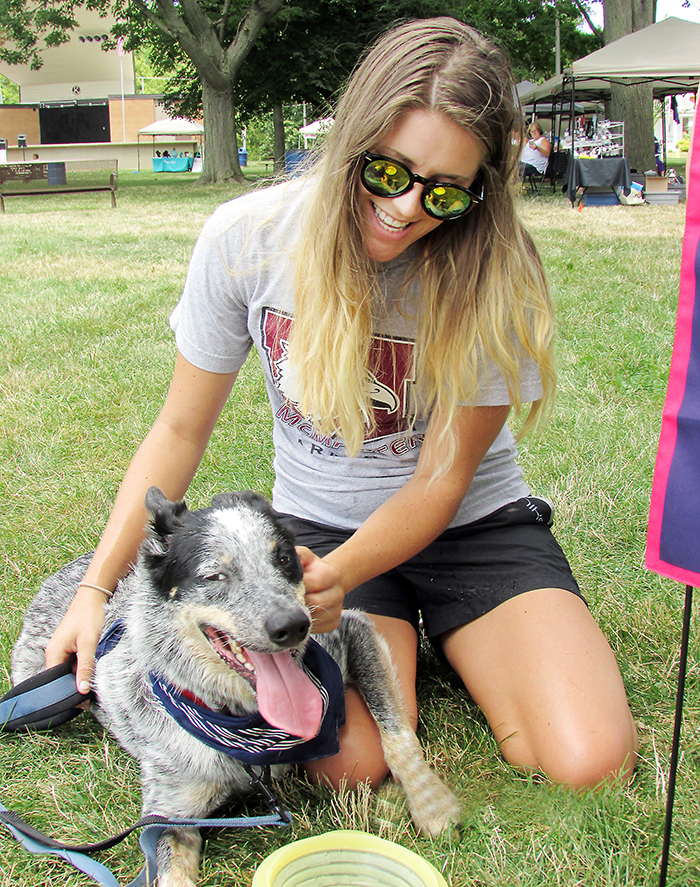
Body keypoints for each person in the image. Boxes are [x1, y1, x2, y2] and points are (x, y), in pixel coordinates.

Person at [45, 18, 637, 791]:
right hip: (324, 529)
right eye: (389, 173)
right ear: (353, 139)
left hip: (472, 528)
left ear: (482, 189)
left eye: (448, 191)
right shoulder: (248, 239)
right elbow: (180, 428)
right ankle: (427, 642)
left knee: (585, 759)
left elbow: (439, 482)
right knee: (346, 766)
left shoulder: (500, 278)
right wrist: (96, 591)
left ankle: (461, 634)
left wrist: (331, 581)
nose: (408, 208)